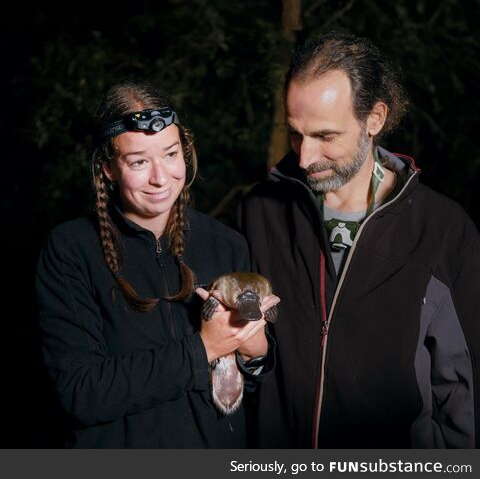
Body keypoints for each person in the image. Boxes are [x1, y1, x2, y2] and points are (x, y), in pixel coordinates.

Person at [238, 31, 480, 448]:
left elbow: (464, 394)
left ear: (375, 118)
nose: (304, 157)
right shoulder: (259, 212)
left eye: (325, 136)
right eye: (295, 133)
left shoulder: (444, 230)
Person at [35, 81, 278, 448]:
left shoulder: (226, 243)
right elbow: (80, 394)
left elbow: (251, 388)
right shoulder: (71, 250)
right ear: (107, 169)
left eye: (170, 154)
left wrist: (255, 352)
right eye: (138, 162)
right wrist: (203, 349)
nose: (160, 177)